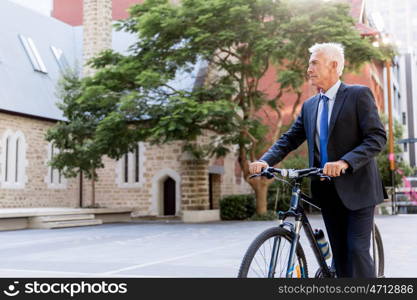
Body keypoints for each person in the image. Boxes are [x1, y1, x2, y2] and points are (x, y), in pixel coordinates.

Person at [249, 43, 387, 278]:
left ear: (334, 65)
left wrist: (345, 162)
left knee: (356, 250)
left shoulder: (357, 95)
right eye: (309, 63)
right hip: (327, 191)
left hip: (358, 189)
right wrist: (265, 160)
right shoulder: (310, 105)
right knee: (340, 254)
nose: (308, 68)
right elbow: (290, 139)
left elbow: (376, 137)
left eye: (314, 63)